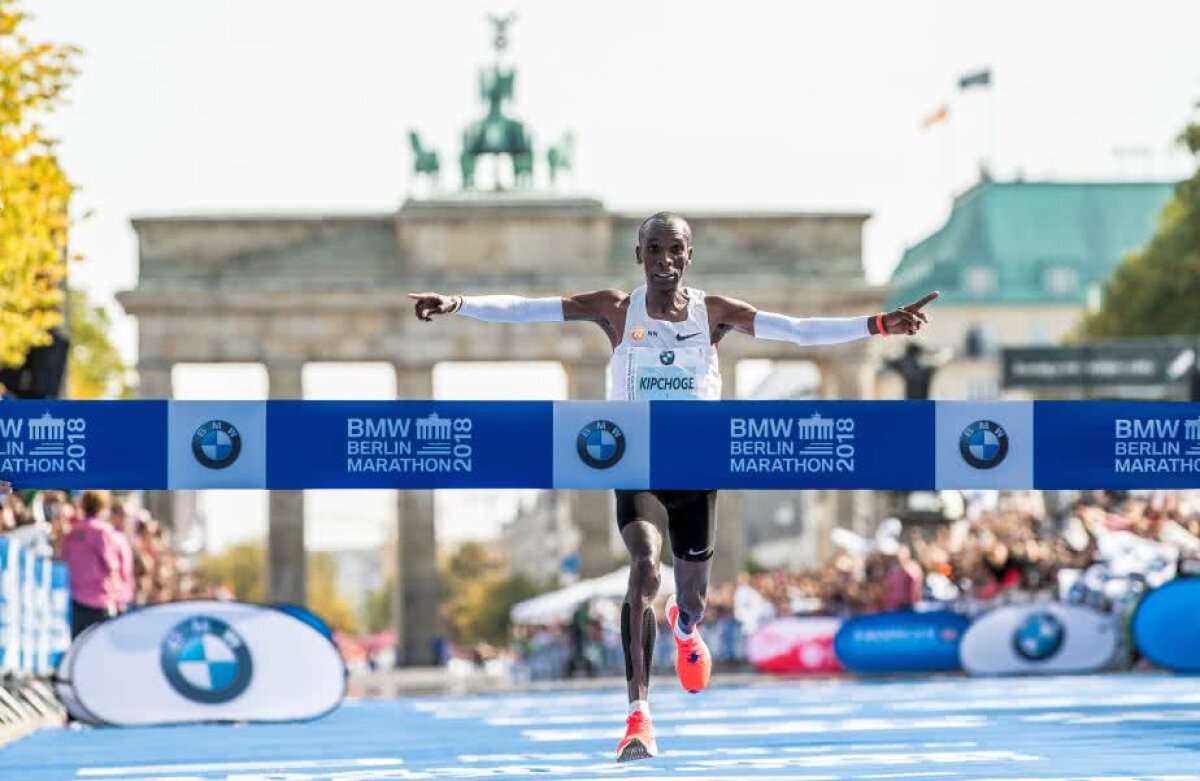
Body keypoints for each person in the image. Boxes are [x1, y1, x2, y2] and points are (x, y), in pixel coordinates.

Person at [408, 211, 938, 762]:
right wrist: (459, 303)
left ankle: (685, 629)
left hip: (696, 469)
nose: (665, 261)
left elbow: (800, 329)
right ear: (639, 255)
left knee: (692, 597)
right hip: (634, 461)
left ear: (689, 256)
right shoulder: (616, 309)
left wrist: (878, 325)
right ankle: (639, 714)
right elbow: (531, 309)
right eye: (654, 249)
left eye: (675, 250)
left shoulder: (716, 314)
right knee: (644, 568)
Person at [60, 490, 125, 638]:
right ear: (102, 507)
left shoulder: (72, 531)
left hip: (76, 600)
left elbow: (63, 557)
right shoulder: (103, 531)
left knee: (79, 646)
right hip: (100, 602)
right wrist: (119, 598)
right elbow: (111, 567)